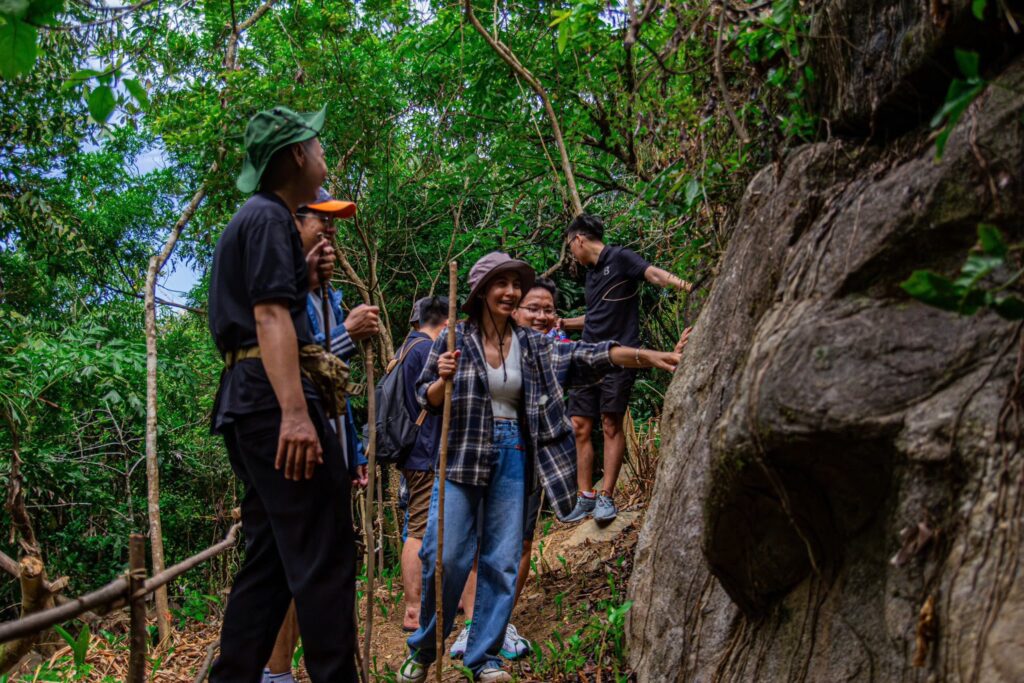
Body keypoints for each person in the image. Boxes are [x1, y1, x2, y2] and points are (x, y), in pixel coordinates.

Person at [396, 252, 680, 683]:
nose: (510, 291)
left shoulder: (533, 344)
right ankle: (426, 647)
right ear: (479, 290)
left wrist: (648, 355)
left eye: (515, 283)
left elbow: (591, 356)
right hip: (461, 456)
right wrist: (441, 376)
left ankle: (484, 654)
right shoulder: (455, 337)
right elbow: (427, 399)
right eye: (501, 283)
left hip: (514, 454)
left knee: (502, 559)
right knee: (446, 556)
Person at [207, 105, 358, 683]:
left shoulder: (254, 220)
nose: (323, 156)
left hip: (245, 401)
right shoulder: (270, 217)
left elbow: (267, 305)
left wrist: (306, 277)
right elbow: (269, 316)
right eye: (318, 145)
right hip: (275, 403)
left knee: (270, 559)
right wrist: (297, 415)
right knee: (325, 554)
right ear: (297, 154)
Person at [261, 188, 375, 683]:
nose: (330, 231)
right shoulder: (280, 287)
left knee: (324, 565)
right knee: (290, 566)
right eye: (321, 221)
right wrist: (349, 332)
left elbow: (333, 388)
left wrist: (352, 451)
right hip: (293, 446)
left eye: (335, 224)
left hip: (329, 446)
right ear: (294, 219)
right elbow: (286, 365)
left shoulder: (326, 291)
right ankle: (276, 672)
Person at [447, 277, 567, 661]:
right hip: (476, 456)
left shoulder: (553, 347)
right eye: (534, 308)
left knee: (518, 544)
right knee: (470, 545)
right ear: (514, 311)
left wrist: (642, 355)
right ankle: (472, 627)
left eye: (548, 309)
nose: (542, 315)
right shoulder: (479, 342)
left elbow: (589, 358)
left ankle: (498, 623)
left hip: (526, 460)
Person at [561, 214, 692, 523]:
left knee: (609, 422)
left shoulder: (620, 257)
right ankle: (585, 497)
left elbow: (654, 275)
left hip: (621, 354)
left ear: (578, 239)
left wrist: (687, 286)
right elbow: (594, 316)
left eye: (570, 247)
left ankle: (606, 496)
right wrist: (564, 322)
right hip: (587, 356)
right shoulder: (591, 275)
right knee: (580, 424)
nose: (572, 256)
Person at [396, 296, 449, 631]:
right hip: (424, 450)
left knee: (416, 524)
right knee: (418, 529)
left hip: (411, 450)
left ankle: (426, 600)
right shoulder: (423, 351)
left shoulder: (404, 350)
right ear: (444, 321)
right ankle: (414, 611)